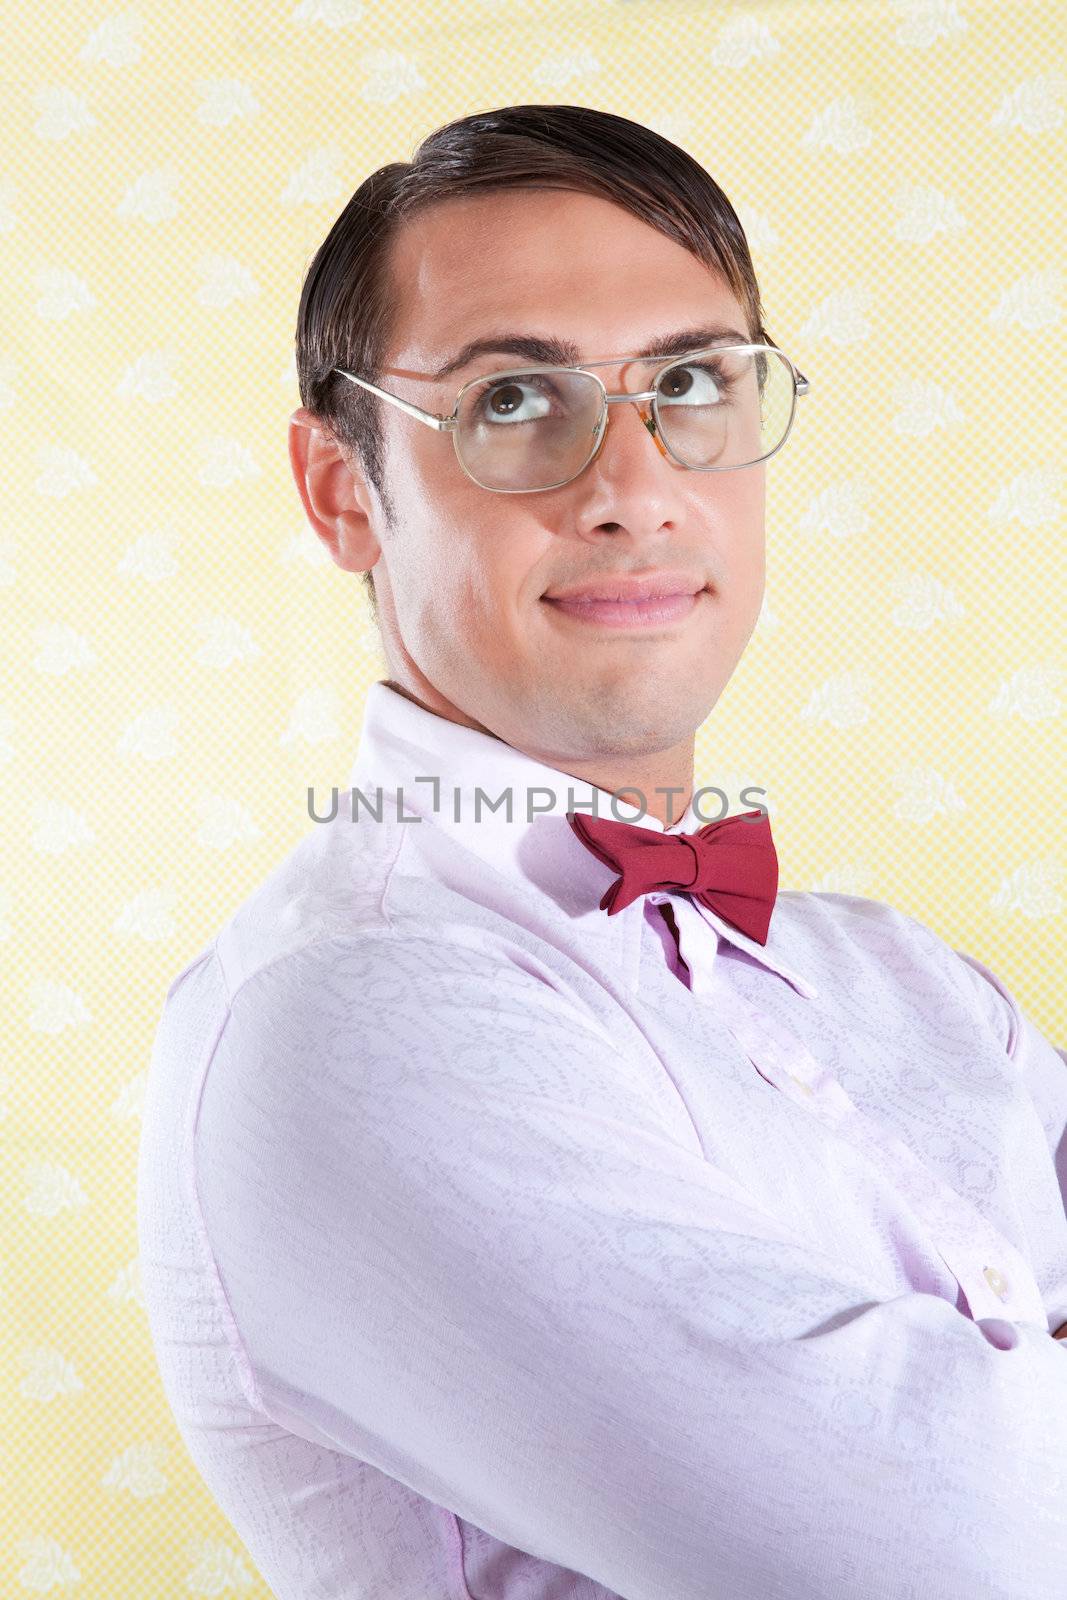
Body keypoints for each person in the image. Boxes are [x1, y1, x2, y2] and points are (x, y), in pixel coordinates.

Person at [137, 103, 1067, 1600]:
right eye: (514, 400)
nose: (631, 484)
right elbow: (971, 1555)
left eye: (689, 383)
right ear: (340, 491)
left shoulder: (904, 978)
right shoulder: (352, 1013)